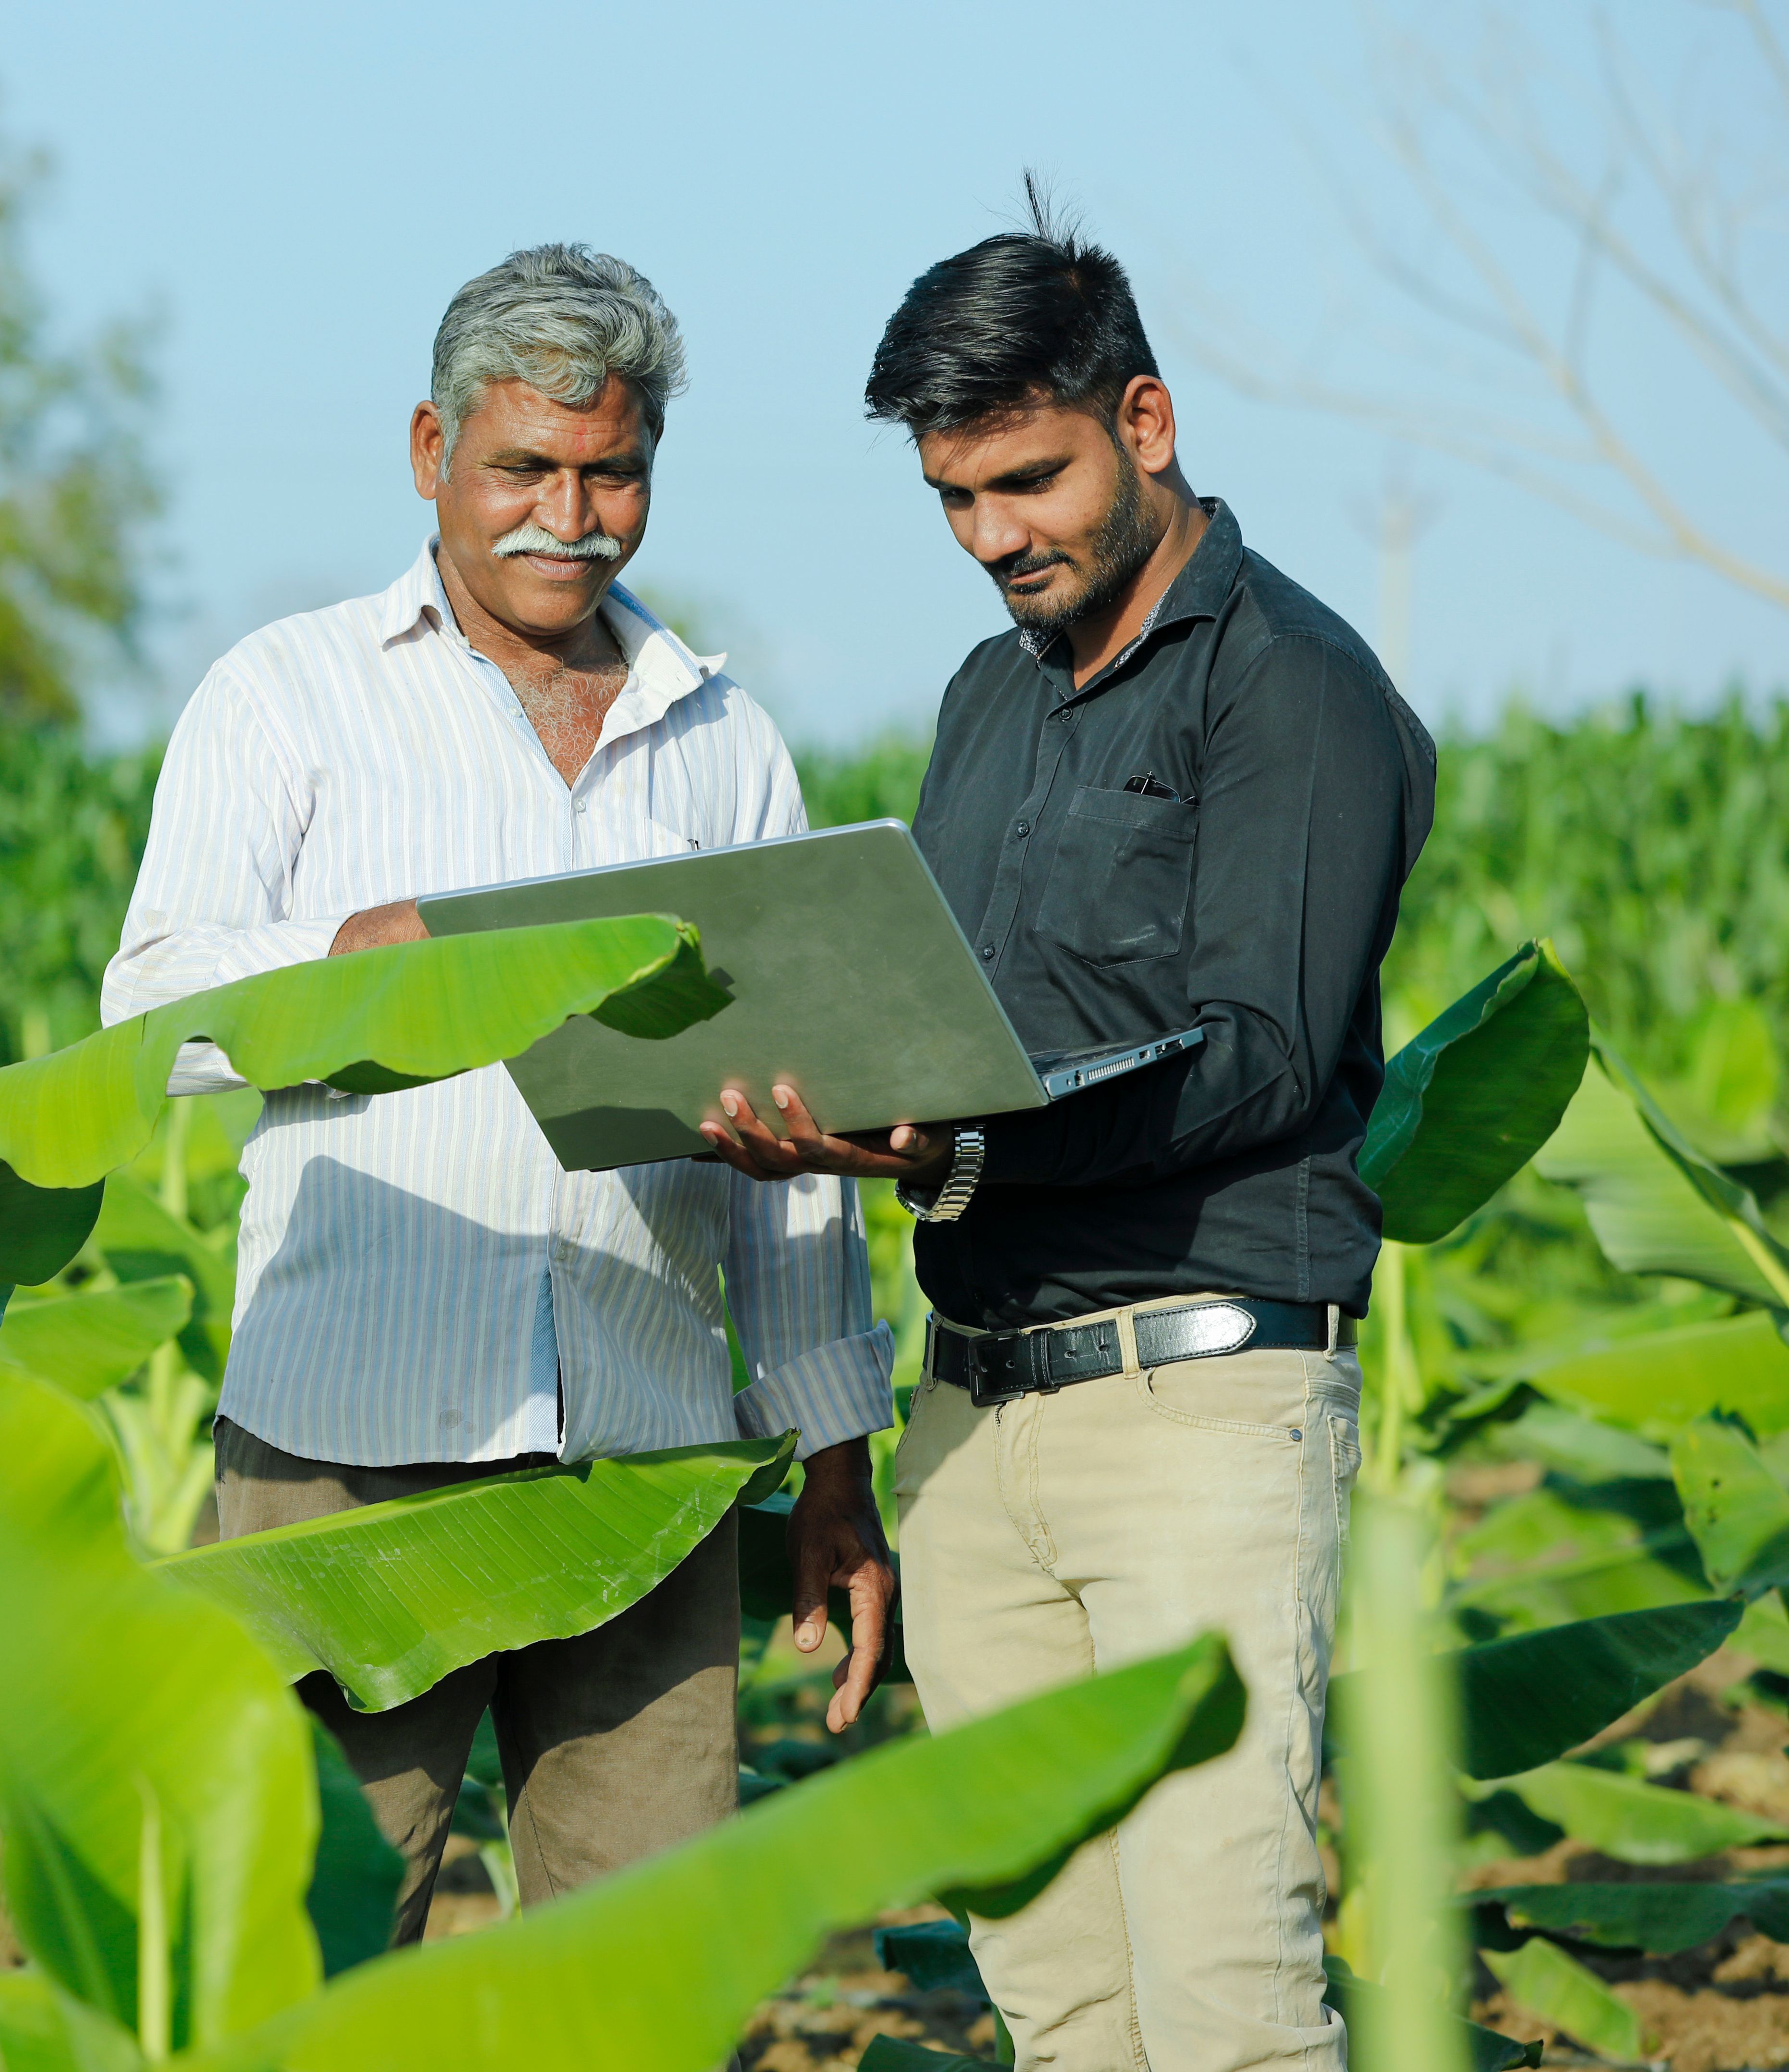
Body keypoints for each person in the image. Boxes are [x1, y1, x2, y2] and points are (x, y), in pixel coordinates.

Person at [699, 194, 1437, 2072]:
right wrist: (824, 1092)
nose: (993, 539)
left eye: (1026, 482)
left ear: (1149, 422)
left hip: (1199, 1408)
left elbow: (1259, 1058)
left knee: (1227, 1998)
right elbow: (961, 1030)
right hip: (973, 1417)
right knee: (1059, 2003)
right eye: (954, 500)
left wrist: (941, 1145)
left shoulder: (1296, 688)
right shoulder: (988, 698)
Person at [103, 244, 898, 1946]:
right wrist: (355, 953)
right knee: (307, 1955)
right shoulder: (288, 695)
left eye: (612, 471)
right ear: (430, 455)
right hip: (351, 1454)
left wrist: (836, 1460)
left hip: (651, 1454)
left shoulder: (723, 737)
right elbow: (148, 1018)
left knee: (645, 1973)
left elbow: (801, 1147)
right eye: (525, 466)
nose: (572, 512)